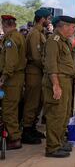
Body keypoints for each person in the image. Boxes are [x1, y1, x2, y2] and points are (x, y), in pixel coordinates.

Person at [42, 15, 75, 158]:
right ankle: (52, 147)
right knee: (56, 114)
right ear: (64, 27)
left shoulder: (64, 41)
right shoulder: (54, 40)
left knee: (64, 114)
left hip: (66, 80)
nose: (73, 30)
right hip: (57, 80)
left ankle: (60, 141)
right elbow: (51, 65)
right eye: (72, 27)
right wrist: (56, 85)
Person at [22, 8, 51, 144]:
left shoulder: (40, 33)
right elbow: (35, 56)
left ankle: (32, 127)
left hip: (39, 72)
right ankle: (26, 130)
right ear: (42, 19)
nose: (49, 21)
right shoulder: (35, 33)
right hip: (34, 72)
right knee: (32, 102)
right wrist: (47, 68)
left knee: (38, 101)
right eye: (48, 18)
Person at [0, 15, 27, 150]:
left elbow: (10, 61)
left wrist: (4, 77)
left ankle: (14, 138)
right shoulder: (18, 36)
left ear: (4, 24)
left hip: (12, 79)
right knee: (13, 107)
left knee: (8, 109)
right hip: (17, 77)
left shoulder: (10, 39)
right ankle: (14, 135)